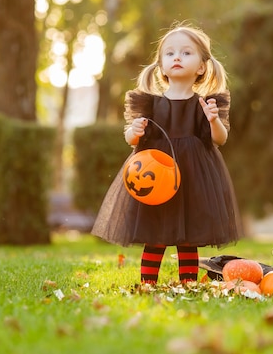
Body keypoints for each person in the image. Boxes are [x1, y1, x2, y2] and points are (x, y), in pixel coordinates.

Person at [92, 23, 243, 285]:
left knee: (188, 236)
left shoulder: (205, 105)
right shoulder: (150, 104)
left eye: (186, 53)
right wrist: (135, 130)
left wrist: (213, 120)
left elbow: (219, 139)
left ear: (201, 67)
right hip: (156, 175)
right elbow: (132, 140)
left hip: (193, 177)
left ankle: (189, 284)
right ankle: (147, 284)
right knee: (156, 233)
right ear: (161, 66)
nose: (177, 58)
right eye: (170, 53)